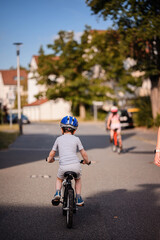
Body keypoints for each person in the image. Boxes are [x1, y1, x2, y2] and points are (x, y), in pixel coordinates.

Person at [47, 116, 90, 206]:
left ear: (62, 129)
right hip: (76, 166)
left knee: (59, 179)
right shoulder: (76, 139)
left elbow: (52, 153)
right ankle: (78, 197)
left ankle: (58, 193)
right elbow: (84, 153)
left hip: (63, 166)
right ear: (74, 131)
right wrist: (87, 161)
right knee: (77, 179)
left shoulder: (58, 139)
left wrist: (49, 160)